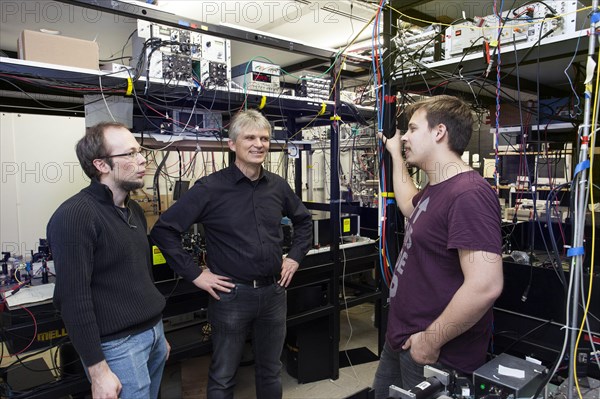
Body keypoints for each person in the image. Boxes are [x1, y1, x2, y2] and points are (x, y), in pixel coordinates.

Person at [150, 109, 313, 399]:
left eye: (264, 138)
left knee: (270, 369)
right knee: (224, 375)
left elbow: (303, 221)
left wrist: (295, 256)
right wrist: (195, 274)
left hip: (274, 293)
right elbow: (164, 230)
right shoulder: (210, 189)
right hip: (230, 297)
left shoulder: (277, 186)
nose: (258, 144)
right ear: (232, 144)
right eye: (249, 137)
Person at [373, 95, 504, 398]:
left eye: (412, 129)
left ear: (439, 132)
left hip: (434, 354)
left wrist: (429, 342)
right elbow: (408, 203)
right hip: (402, 339)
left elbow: (485, 285)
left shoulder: (469, 194)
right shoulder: (439, 188)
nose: (404, 136)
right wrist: (395, 154)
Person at [47, 122, 169, 399]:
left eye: (140, 152)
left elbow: (140, 277)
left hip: (153, 335)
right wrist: (97, 370)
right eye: (130, 154)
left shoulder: (133, 209)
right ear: (101, 165)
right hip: (117, 346)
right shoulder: (75, 216)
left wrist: (157, 336)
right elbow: (73, 299)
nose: (142, 160)